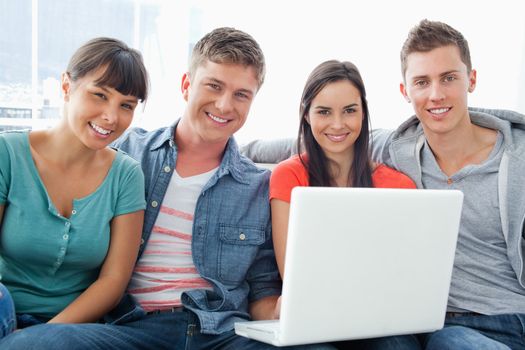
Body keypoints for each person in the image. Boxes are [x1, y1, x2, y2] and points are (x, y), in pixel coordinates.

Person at [0, 27, 336, 350]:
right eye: (214, 86)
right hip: (135, 329)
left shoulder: (258, 185)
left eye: (241, 95)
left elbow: (262, 287)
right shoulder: (126, 152)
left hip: (223, 332)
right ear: (187, 85)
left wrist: (285, 312)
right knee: (35, 344)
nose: (223, 105)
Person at [364, 19, 525, 349]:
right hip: (421, 321)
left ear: (472, 79)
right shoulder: (397, 148)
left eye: (449, 78)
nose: (436, 95)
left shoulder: (517, 157)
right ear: (405, 91)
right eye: (422, 82)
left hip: (506, 319)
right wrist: (232, 143)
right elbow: (323, 138)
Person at [0, 37, 148, 337]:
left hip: (74, 331)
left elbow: (113, 282)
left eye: (126, 105)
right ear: (67, 86)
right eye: (99, 95)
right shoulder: (7, 154)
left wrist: (40, 338)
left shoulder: (127, 175)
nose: (111, 117)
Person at [270, 60, 415, 277]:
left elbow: (403, 268)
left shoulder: (399, 186)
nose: (337, 124)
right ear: (306, 114)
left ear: (363, 113)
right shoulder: (288, 176)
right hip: (313, 303)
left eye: (349, 110)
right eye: (324, 112)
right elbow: (291, 274)